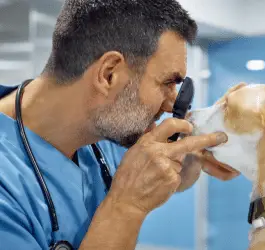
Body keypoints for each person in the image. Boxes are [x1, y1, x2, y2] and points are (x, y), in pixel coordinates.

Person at [0, 0, 240, 249]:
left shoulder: (102, 128)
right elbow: (131, 190)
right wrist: (126, 207)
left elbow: (158, 174)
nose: (171, 104)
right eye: (167, 83)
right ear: (108, 74)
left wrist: (193, 156)